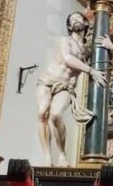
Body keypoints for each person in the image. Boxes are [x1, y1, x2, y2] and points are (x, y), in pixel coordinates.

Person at [36, 13, 108, 167]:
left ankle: (62, 155)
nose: (75, 20)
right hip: (48, 80)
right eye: (72, 20)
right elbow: (67, 58)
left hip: (66, 87)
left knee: (55, 115)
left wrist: (112, 47)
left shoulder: (87, 49)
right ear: (69, 26)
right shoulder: (65, 41)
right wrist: (91, 71)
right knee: (42, 113)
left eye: (79, 18)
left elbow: (105, 60)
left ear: (86, 23)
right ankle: (48, 157)